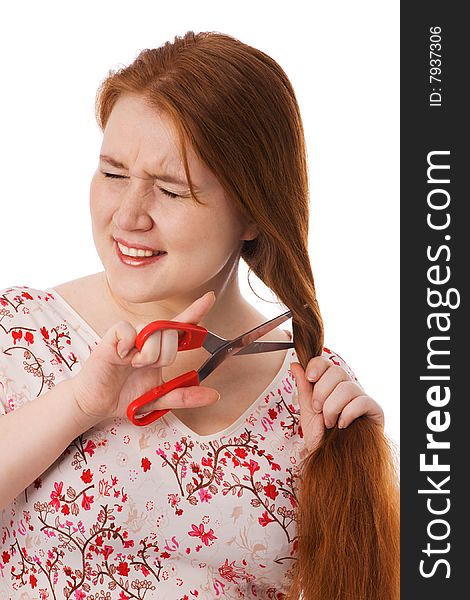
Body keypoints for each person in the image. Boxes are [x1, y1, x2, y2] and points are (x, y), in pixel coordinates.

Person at [0, 31, 398, 599]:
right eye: (113, 174)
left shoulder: (311, 398)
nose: (129, 215)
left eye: (172, 189)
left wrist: (359, 484)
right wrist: (79, 405)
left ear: (253, 213)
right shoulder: (20, 332)